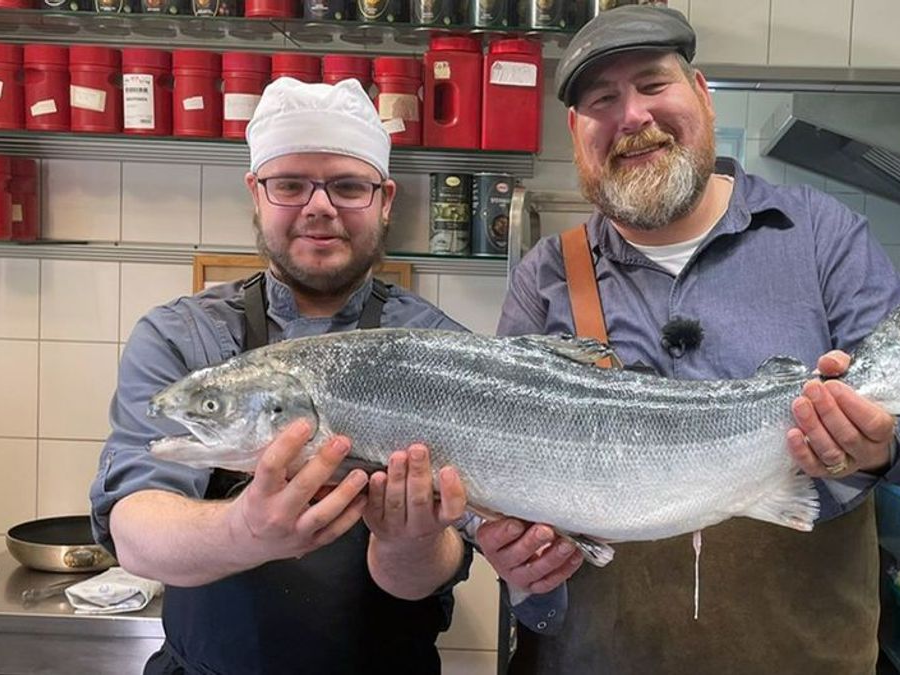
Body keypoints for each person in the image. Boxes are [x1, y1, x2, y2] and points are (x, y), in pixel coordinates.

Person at [478, 5, 900, 674]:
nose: (632, 116)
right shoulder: (549, 275)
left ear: (700, 93)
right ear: (576, 131)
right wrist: (498, 536)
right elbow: (499, 465)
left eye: (652, 84)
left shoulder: (822, 236)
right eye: (602, 100)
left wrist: (876, 443)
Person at [89, 77, 554, 675]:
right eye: (290, 184)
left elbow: (433, 570)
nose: (319, 207)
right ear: (256, 193)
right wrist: (245, 531)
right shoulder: (182, 338)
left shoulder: (441, 352)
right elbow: (135, 531)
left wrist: (406, 541)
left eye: (347, 186)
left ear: (384, 199)